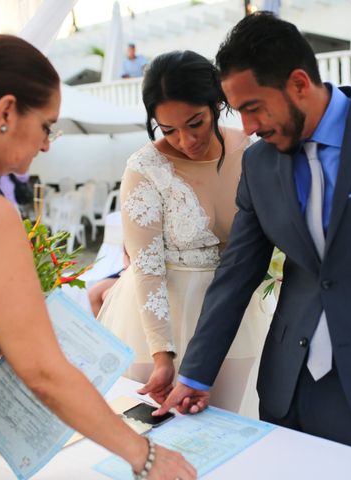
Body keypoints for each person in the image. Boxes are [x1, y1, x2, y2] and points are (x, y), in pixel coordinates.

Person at [157, 12, 351, 460]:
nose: (247, 127)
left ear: (299, 83)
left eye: (254, 107)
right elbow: (237, 273)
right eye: (239, 112)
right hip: (286, 381)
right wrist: (194, 374)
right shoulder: (258, 164)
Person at [0, 33, 194, 480]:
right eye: (46, 126)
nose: (46, 145)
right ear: (4, 112)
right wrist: (147, 457)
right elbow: (41, 369)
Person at [97, 50, 268, 414]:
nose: (186, 140)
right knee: (158, 431)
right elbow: (146, 267)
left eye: (195, 123)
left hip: (235, 311)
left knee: (225, 427)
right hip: (160, 320)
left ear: (218, 104)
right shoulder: (145, 168)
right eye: (169, 130)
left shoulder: (250, 150)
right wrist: (163, 355)